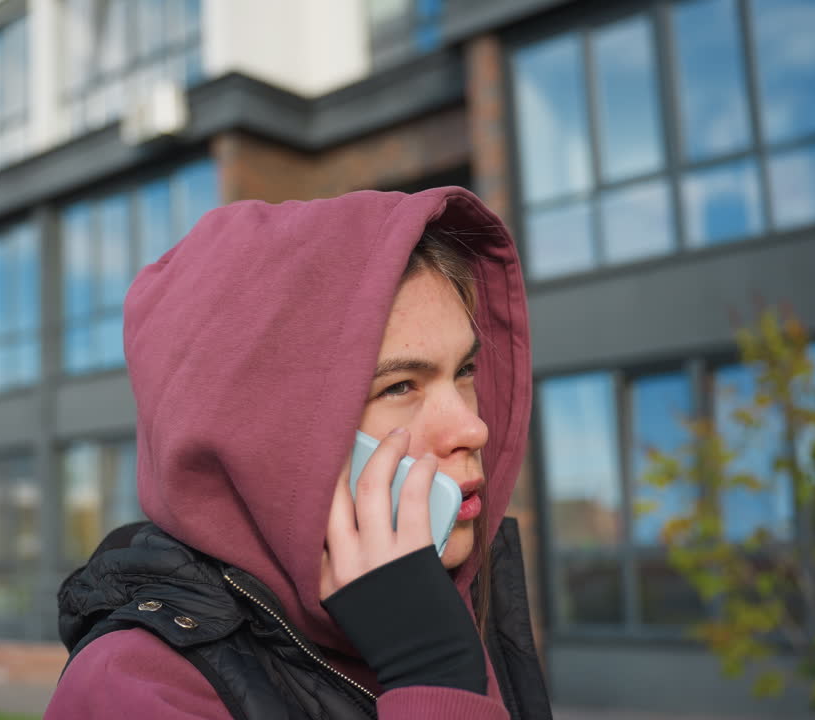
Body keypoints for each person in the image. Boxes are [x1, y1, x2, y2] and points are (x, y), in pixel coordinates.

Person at [46, 187, 551, 719]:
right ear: (265, 445)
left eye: (465, 371)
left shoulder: (447, 605)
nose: (473, 428)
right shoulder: (131, 691)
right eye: (400, 386)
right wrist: (436, 681)